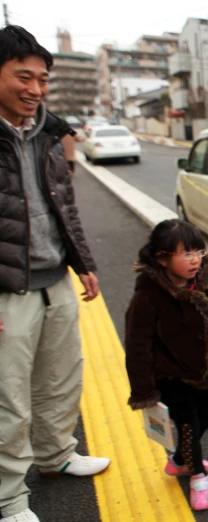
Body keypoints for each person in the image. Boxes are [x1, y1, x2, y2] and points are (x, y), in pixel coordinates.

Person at [0, 26, 110, 522]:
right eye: (24, 77)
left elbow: (65, 205)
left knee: (61, 379)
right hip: (7, 289)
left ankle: (55, 455)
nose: (35, 89)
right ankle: (10, 498)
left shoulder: (48, 131)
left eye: (42, 79)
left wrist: (82, 263)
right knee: (10, 398)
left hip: (54, 279)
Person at [125, 220, 208, 511]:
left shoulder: (204, 283)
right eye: (186, 254)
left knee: (207, 417)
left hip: (203, 372)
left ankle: (180, 460)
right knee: (189, 426)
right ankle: (197, 476)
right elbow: (136, 346)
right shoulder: (148, 295)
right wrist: (144, 391)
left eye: (199, 251)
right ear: (162, 258)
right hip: (170, 375)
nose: (195, 260)